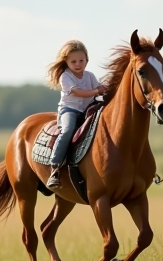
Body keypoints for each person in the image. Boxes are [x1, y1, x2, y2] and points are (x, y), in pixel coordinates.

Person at [46, 39, 106, 188]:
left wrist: (107, 89)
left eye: (81, 60)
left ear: (87, 60)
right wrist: (97, 91)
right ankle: (55, 167)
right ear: (66, 61)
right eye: (73, 61)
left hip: (88, 109)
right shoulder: (65, 77)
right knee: (67, 130)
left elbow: (99, 88)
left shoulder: (90, 76)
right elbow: (79, 93)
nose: (78, 64)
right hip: (70, 110)